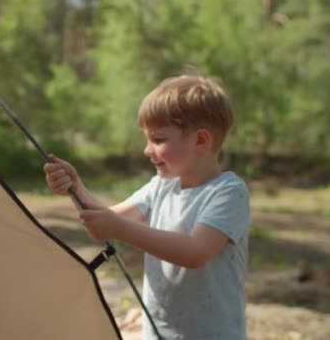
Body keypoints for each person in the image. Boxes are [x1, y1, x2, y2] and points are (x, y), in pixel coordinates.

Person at [43, 75, 251, 339]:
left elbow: (194, 251)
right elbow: (107, 222)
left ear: (201, 140)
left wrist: (119, 228)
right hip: (157, 333)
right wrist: (76, 188)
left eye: (158, 139)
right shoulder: (161, 186)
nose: (147, 150)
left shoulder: (228, 192)